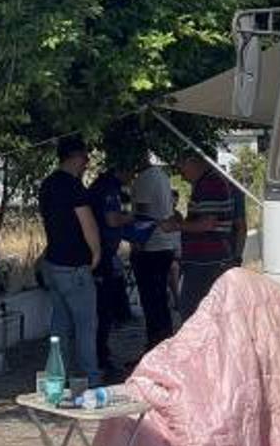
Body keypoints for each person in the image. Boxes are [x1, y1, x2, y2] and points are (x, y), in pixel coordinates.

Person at [38, 137, 103, 388]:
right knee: (86, 326)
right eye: (85, 158)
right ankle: (91, 379)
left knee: (60, 326)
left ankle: (56, 379)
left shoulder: (47, 184)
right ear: (75, 157)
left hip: (53, 262)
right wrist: (95, 253)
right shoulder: (73, 187)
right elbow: (87, 223)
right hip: (74, 266)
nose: (86, 163)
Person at [164, 153, 236, 320]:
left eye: (181, 168)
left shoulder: (211, 184)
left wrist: (176, 226)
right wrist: (181, 221)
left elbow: (207, 224)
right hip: (204, 259)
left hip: (207, 261)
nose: (181, 175)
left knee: (192, 311)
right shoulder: (205, 183)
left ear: (192, 162)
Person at [87, 157, 135, 378]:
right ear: (120, 170)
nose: (132, 178)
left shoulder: (107, 186)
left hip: (106, 254)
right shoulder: (107, 189)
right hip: (102, 255)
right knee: (103, 310)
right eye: (130, 172)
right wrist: (134, 217)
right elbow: (113, 220)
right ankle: (100, 357)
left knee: (106, 309)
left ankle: (101, 354)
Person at [130, 156, 177, 352]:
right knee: (160, 300)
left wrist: (137, 244)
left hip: (150, 246)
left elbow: (142, 215)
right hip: (166, 244)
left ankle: (155, 346)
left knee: (151, 302)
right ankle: (165, 342)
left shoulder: (143, 180)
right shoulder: (162, 175)